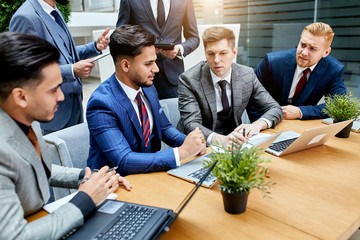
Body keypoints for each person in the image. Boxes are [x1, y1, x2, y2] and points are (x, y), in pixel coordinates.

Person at [0, 32, 131, 239]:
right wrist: (85, 199)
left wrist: (86, 178)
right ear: (21, 96)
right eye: (53, 90)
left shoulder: (25, 118)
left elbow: (36, 168)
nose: (61, 96)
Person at [86, 25, 206, 176]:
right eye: (148, 64)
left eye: (155, 62)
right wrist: (181, 153)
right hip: (115, 183)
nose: (156, 69)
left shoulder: (147, 87)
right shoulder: (101, 104)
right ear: (125, 65)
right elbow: (124, 160)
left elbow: (164, 128)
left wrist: (193, 143)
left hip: (148, 176)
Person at [9, 0, 110, 134]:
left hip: (73, 107)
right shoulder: (25, 17)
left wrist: (94, 47)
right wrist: (72, 71)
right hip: (52, 116)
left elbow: (66, 55)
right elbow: (27, 70)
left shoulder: (54, 12)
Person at [177, 26, 283, 147]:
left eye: (223, 53)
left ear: (234, 53)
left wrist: (256, 125)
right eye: (211, 54)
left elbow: (275, 108)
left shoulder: (247, 75)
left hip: (234, 142)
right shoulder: (189, 79)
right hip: (199, 143)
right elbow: (190, 123)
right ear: (205, 53)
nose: (216, 60)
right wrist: (220, 140)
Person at [251, 22, 346, 120]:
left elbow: (337, 105)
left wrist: (300, 112)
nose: (304, 52)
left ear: (326, 52)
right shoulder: (272, 62)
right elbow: (252, 97)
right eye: (303, 45)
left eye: (312, 48)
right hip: (266, 121)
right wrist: (264, 123)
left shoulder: (333, 69)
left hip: (301, 124)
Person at [116, 0, 199, 99]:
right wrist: (140, 49)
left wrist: (179, 49)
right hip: (140, 76)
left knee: (173, 113)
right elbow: (121, 37)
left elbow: (194, 38)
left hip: (172, 77)